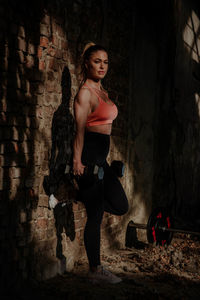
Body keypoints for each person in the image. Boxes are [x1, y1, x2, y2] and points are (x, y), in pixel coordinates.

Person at [73, 42, 129, 284]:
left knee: (120, 205)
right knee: (95, 217)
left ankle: (80, 195)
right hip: (89, 156)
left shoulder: (101, 91)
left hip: (101, 159)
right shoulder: (85, 93)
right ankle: (95, 271)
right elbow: (80, 132)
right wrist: (77, 160)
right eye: (97, 61)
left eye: (105, 61)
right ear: (87, 64)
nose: (102, 66)